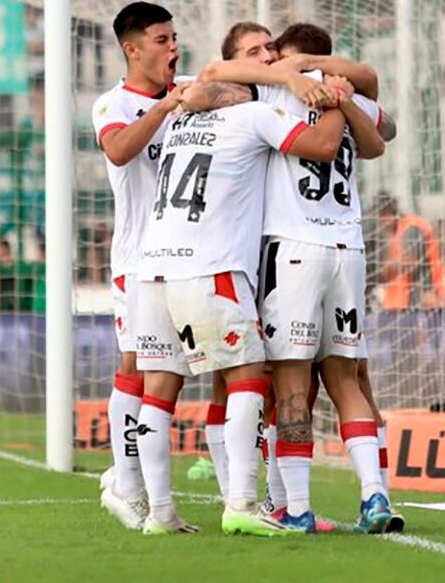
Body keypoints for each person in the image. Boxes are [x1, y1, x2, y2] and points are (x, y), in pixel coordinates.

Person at [184, 21, 399, 534]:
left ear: (292, 59)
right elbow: (380, 138)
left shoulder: (268, 93)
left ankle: (296, 507)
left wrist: (296, 75)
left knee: (291, 383)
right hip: (348, 249)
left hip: (292, 250)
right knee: (346, 378)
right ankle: (375, 497)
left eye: (277, 54)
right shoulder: (349, 98)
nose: (270, 61)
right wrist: (340, 94)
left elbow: (207, 80)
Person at [134, 87, 347, 536]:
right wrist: (335, 99)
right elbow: (325, 147)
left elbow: (204, 86)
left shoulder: (180, 120)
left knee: (156, 392)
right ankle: (242, 503)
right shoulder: (252, 114)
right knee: (249, 378)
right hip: (210, 268)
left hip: (151, 270)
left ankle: (159, 512)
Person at [89, 1, 192, 530]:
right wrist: (166, 108)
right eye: (160, 39)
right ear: (131, 49)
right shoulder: (112, 104)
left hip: (194, 257)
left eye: (173, 37)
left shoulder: (192, 89)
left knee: (181, 375)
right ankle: (126, 484)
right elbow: (120, 151)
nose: (172, 47)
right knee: (136, 368)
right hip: (138, 259)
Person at [377, 193, 445, 310]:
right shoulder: (396, 233)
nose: (380, 224)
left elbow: (410, 261)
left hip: (422, 300)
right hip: (403, 303)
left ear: (387, 215)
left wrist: (386, 268)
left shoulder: (410, 227)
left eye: (380, 218)